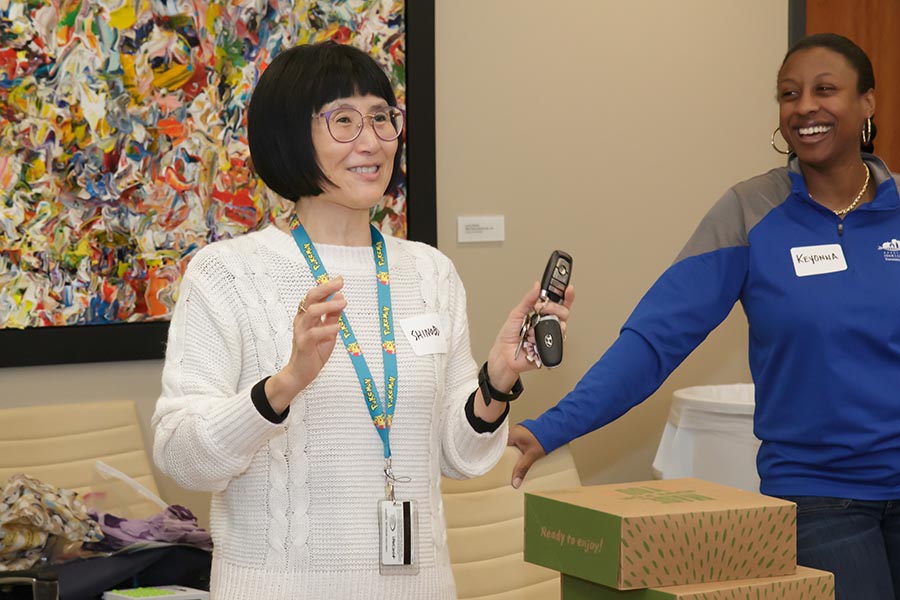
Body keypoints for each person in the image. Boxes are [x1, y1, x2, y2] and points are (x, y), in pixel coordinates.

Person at [152, 41, 573, 600]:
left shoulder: (430, 273)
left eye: (381, 118)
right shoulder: (227, 273)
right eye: (343, 121)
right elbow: (182, 455)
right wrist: (284, 384)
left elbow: (460, 456)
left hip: (419, 587)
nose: (371, 142)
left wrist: (496, 381)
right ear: (290, 135)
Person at [508, 33, 900, 600]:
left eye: (825, 89)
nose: (805, 107)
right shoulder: (750, 212)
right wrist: (553, 427)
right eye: (789, 94)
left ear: (867, 103)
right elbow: (654, 341)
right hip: (821, 500)